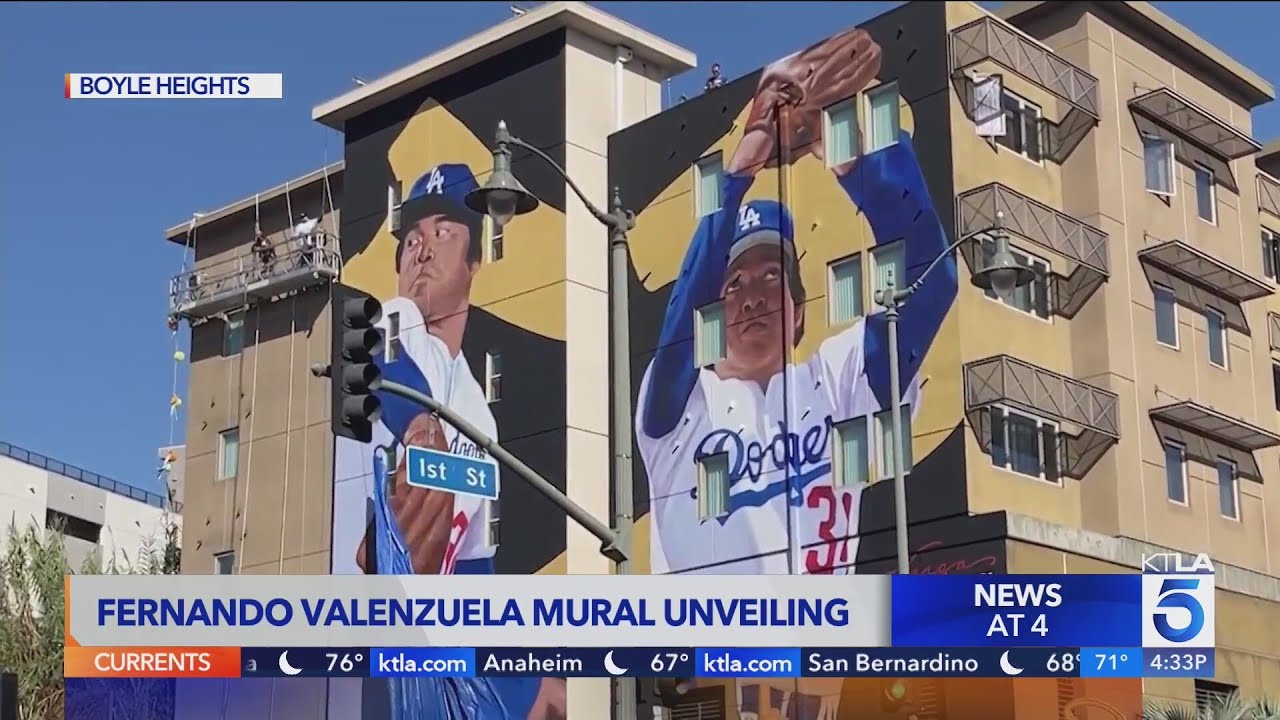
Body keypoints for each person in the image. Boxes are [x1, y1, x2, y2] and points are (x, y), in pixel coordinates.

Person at [635, 27, 958, 720]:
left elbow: (931, 272)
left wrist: (838, 146)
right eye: (735, 282)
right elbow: (681, 308)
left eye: (772, 275)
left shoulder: (837, 382)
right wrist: (743, 165)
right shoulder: (674, 412)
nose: (750, 293)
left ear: (802, 311)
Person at [354, 163, 565, 720]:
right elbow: (386, 360)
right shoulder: (396, 323)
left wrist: (521, 680)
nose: (422, 249)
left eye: (444, 231)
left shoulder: (477, 412)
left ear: (475, 261)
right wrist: (421, 424)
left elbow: (474, 569)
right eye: (412, 239)